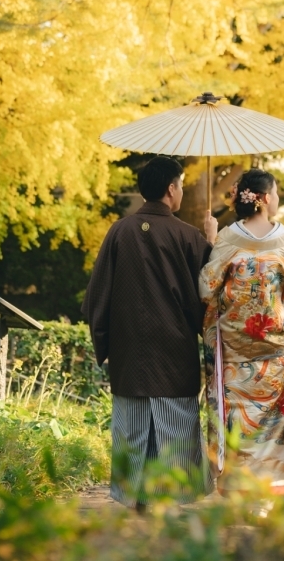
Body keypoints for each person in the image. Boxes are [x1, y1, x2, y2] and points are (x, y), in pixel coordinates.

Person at [82, 154, 218, 506]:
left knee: (131, 428)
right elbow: (212, 293)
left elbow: (97, 295)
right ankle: (174, 494)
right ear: (171, 189)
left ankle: (134, 495)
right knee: (176, 428)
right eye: (182, 185)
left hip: (129, 353)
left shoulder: (120, 231)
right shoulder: (188, 236)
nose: (182, 191)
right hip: (174, 354)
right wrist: (212, 243)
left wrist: (105, 342)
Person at [199, 168, 284, 491]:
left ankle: (237, 489)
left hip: (235, 353)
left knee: (236, 421)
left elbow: (206, 288)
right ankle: (267, 493)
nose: (277, 199)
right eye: (276, 193)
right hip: (276, 354)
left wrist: (210, 242)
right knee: (273, 426)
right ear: (265, 199)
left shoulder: (227, 237)